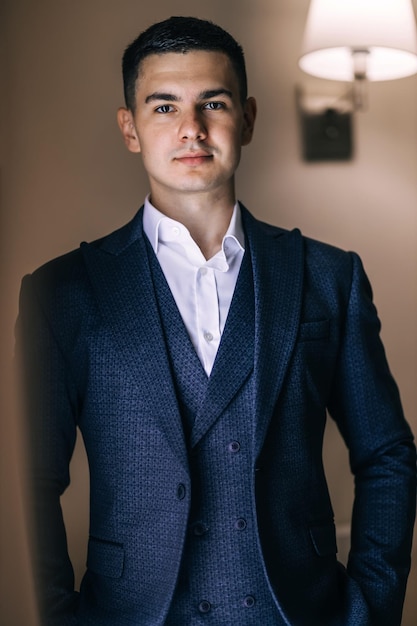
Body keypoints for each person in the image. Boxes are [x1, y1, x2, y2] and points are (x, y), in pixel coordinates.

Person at [17, 16, 416, 626]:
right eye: (163, 106)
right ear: (130, 129)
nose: (191, 129)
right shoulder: (63, 293)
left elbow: (387, 454)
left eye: (214, 103)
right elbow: (27, 479)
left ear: (247, 119)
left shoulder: (330, 278)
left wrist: (368, 611)